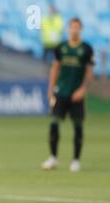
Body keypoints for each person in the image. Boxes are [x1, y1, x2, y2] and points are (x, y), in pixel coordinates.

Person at [43, 18, 94, 172]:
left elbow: (89, 72)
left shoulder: (86, 49)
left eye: (77, 28)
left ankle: (76, 160)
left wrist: (83, 89)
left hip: (76, 94)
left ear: (81, 30)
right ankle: (53, 158)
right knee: (54, 123)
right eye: (72, 28)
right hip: (61, 92)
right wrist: (50, 89)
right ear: (68, 29)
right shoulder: (61, 48)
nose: (74, 30)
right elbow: (55, 68)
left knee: (78, 125)